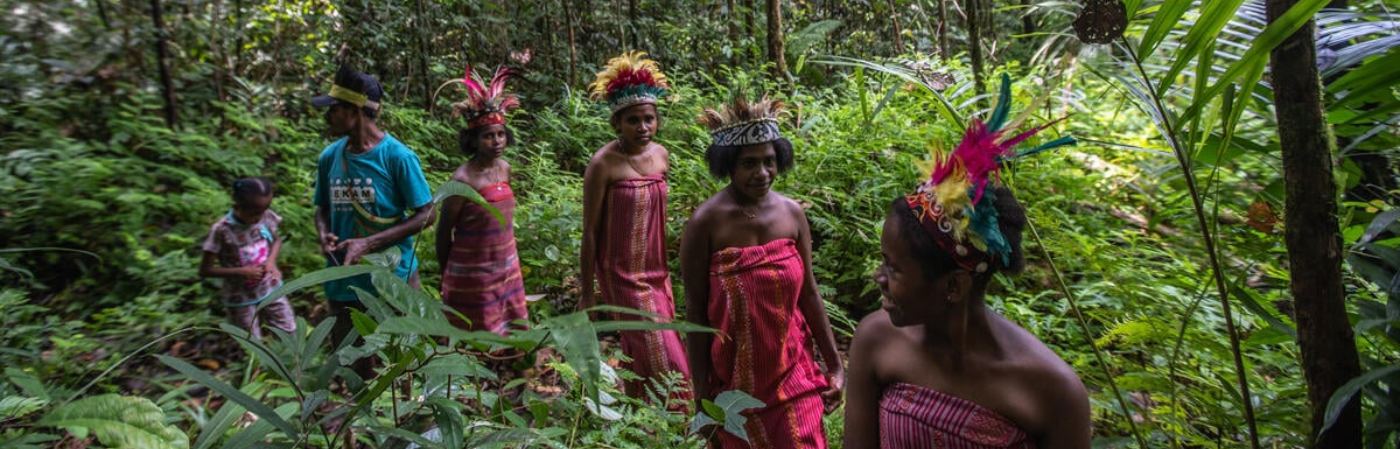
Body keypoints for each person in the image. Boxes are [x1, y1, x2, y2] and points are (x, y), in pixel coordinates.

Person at [842, 81, 1089, 448]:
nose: (878, 278)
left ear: (954, 286)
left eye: (893, 268)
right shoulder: (876, 341)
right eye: (883, 262)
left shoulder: (1054, 391)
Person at [680, 96, 844, 449]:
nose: (762, 173)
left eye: (769, 162)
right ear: (729, 166)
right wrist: (701, 398)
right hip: (735, 384)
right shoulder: (706, 222)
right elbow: (695, 311)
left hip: (794, 372)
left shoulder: (792, 215)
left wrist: (835, 365)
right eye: (749, 163)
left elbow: (810, 294)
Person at [579, 51, 691, 401]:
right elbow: (591, 230)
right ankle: (680, 419)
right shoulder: (603, 163)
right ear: (617, 124)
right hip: (621, 276)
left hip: (657, 272)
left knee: (643, 354)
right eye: (633, 121)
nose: (643, 127)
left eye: (648, 119)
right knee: (668, 358)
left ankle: (641, 418)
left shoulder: (661, 156)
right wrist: (587, 292)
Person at [311, 65, 434, 368]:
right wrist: (324, 233)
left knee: (399, 363)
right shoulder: (330, 157)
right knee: (352, 361)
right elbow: (321, 209)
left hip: (392, 280)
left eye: (334, 109)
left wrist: (368, 244)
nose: (328, 116)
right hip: (342, 280)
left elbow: (427, 214)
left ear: (354, 110)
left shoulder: (397, 157)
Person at [435, 64, 528, 335]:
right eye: (488, 136)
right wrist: (447, 276)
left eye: (500, 135)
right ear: (473, 140)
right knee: (476, 335)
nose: (496, 141)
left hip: (507, 266)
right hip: (472, 273)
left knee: (512, 329)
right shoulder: (462, 180)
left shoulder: (506, 168)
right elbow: (443, 233)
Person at [199, 177, 296, 340]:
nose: (259, 217)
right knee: (250, 343)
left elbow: (276, 240)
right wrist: (241, 272)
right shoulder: (222, 230)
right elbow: (205, 270)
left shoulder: (266, 217)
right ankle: (259, 366)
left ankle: (293, 362)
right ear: (238, 204)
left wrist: (271, 262)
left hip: (270, 287)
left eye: (264, 210)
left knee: (289, 330)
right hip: (240, 296)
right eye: (254, 212)